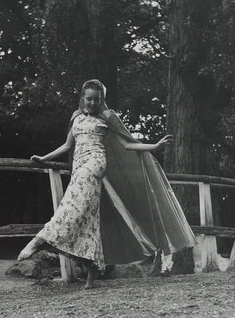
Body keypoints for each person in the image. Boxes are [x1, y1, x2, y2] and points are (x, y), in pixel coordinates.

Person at [18, 79, 196, 289]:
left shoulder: (107, 117)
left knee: (71, 205)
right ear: (82, 98)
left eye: (97, 99)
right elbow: (67, 145)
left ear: (102, 99)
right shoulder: (76, 117)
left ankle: (39, 240)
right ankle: (93, 270)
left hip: (95, 164)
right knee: (89, 220)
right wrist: (44, 158)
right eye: (89, 99)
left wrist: (154, 145)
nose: (92, 103)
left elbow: (127, 143)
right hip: (79, 165)